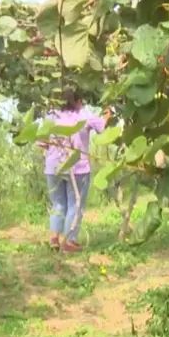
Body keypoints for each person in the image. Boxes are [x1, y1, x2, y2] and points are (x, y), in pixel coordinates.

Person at [40, 87, 108, 253]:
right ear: (77, 101)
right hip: (77, 168)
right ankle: (69, 240)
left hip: (53, 167)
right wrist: (108, 113)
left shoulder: (51, 116)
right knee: (75, 204)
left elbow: (42, 143)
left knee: (58, 203)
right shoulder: (84, 115)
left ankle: (55, 238)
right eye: (81, 100)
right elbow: (102, 127)